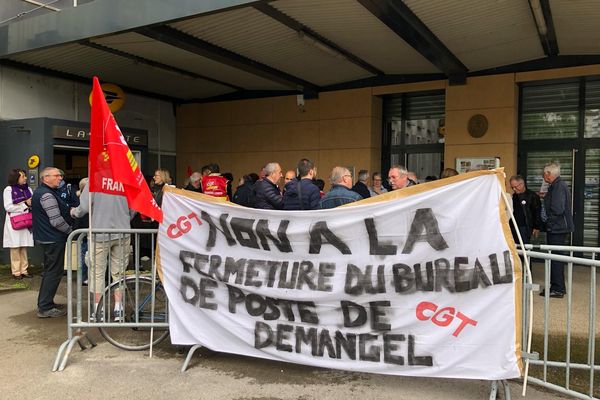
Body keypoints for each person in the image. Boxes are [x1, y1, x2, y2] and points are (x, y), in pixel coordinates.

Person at [71, 180, 132, 321]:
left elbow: (84, 208)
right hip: (123, 232)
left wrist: (74, 212)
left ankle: (99, 309)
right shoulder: (125, 181)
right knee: (119, 272)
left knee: (97, 272)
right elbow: (133, 208)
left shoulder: (94, 181)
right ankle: (118, 308)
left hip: (99, 233)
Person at [31, 167, 72, 318]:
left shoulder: (41, 192)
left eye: (60, 175)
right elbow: (56, 221)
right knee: (53, 272)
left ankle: (46, 302)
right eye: (56, 176)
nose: (60, 178)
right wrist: (71, 231)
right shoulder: (47, 195)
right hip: (53, 238)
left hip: (47, 237)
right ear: (45, 178)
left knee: (50, 271)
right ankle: (45, 307)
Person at [540, 163, 574, 299]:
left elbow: (558, 209)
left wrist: (548, 221)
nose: (543, 176)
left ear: (549, 174)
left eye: (544, 173)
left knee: (555, 259)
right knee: (555, 258)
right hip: (557, 227)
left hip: (557, 228)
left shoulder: (558, 186)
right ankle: (557, 287)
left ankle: (557, 289)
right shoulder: (556, 185)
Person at [3, 168, 34, 280]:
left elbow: (33, 202)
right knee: (15, 246)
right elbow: (8, 206)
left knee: (24, 246)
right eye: (22, 176)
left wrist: (28, 205)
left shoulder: (29, 189)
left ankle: (24, 270)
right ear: (16, 178)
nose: (25, 178)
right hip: (15, 220)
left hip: (26, 219)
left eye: (25, 176)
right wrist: (25, 204)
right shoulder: (9, 189)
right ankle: (16, 272)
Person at [509, 175, 541, 244]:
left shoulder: (532, 196)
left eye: (515, 187)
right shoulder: (513, 197)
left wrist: (537, 227)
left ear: (522, 184)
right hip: (514, 227)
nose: (514, 189)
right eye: (512, 187)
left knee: (525, 247)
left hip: (526, 227)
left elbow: (537, 212)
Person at [72, 177, 90, 286]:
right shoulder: (83, 200)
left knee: (85, 255)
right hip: (85, 231)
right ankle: (84, 277)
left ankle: (85, 277)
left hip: (84, 231)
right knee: (85, 255)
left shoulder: (79, 198)